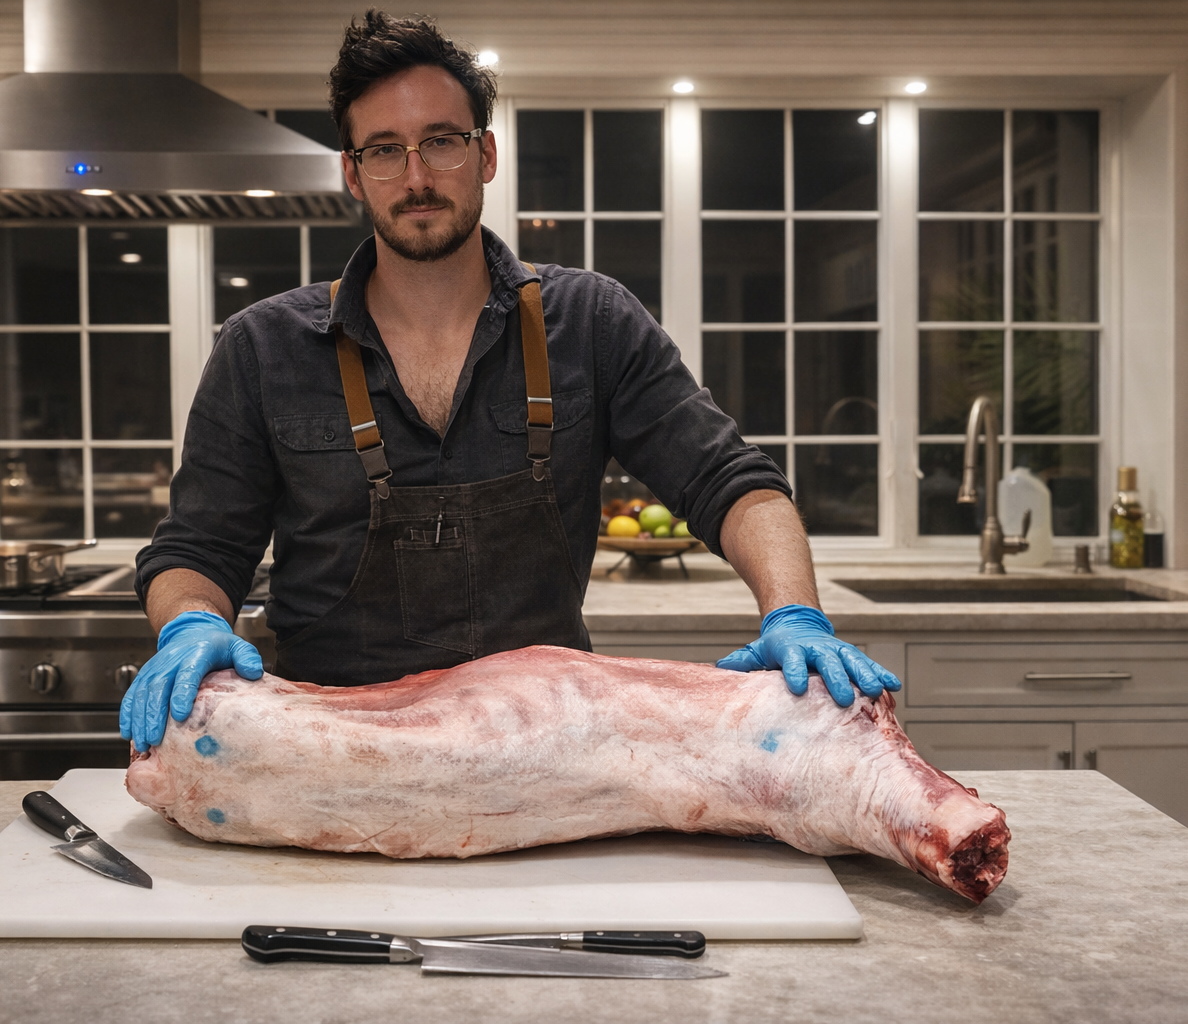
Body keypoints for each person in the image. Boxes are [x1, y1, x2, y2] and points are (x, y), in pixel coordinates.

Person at [121, 10, 900, 752]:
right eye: (385, 149)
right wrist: (191, 622)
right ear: (354, 176)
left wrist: (795, 612)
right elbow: (197, 548)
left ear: (485, 155)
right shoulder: (264, 347)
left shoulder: (592, 322)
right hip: (331, 751)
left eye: (442, 142)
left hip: (548, 754)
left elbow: (735, 485)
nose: (417, 175)